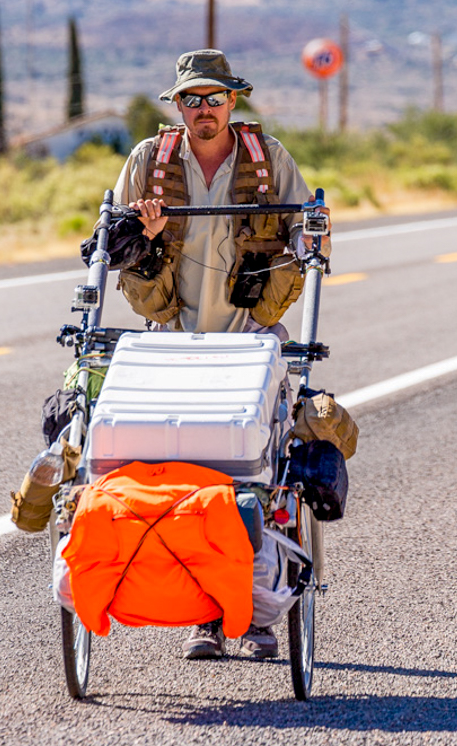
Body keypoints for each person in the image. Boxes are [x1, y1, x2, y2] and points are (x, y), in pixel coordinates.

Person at [113, 48, 330, 662]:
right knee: (189, 484)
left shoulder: (269, 161)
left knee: (259, 477)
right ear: (177, 105)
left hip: (250, 346)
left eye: (214, 99)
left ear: (234, 100)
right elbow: (115, 241)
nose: (203, 111)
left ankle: (261, 612)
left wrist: (310, 234)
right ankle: (208, 614)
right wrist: (143, 234)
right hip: (172, 342)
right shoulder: (149, 163)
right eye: (191, 100)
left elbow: (306, 233)